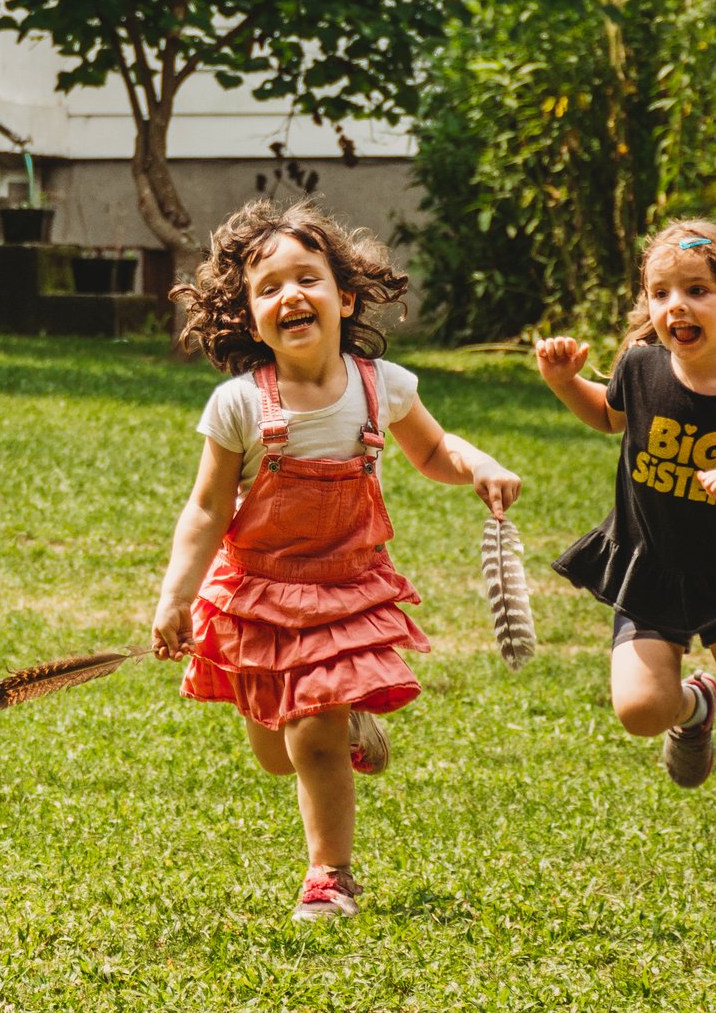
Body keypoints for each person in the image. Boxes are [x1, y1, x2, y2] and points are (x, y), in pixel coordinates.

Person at [151, 199, 520, 921]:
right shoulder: (237, 406)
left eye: (307, 279)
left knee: (312, 732)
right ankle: (344, 721)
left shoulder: (382, 386)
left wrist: (477, 465)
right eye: (269, 288)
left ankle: (330, 875)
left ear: (344, 297)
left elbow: (434, 450)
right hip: (255, 591)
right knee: (276, 752)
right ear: (250, 317)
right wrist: (175, 597)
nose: (291, 295)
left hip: (344, 587)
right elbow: (205, 509)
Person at [536, 218, 716, 885]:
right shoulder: (639, 369)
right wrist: (563, 383)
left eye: (696, 291)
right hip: (650, 569)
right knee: (641, 711)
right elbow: (608, 415)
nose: (676, 307)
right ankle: (694, 707)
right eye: (660, 293)